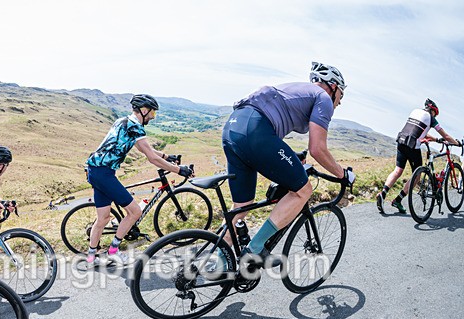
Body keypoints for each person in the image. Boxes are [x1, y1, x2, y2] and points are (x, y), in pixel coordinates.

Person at [221, 61, 355, 270]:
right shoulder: (323, 99)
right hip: (256, 131)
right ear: (334, 87)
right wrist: (342, 174)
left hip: (234, 127)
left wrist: (292, 156)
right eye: (341, 96)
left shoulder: (300, 90)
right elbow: (317, 149)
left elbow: (271, 136)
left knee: (242, 205)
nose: (339, 102)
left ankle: (218, 259)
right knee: (303, 190)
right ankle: (255, 250)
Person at [84, 94, 194, 265]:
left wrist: (167, 156)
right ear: (144, 110)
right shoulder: (135, 126)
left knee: (104, 218)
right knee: (135, 212)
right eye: (153, 113)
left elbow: (145, 149)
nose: (152, 116)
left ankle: (92, 257)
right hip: (104, 174)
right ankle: (113, 251)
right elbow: (152, 158)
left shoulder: (124, 121)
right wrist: (180, 170)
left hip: (95, 171)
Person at [376, 99, 462, 214]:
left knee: (397, 170)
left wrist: (436, 139)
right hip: (412, 146)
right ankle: (398, 200)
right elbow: (445, 135)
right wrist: (457, 143)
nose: (434, 116)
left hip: (401, 140)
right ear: (433, 111)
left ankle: (383, 194)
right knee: (416, 177)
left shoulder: (415, 111)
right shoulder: (431, 118)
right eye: (435, 114)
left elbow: (420, 131)